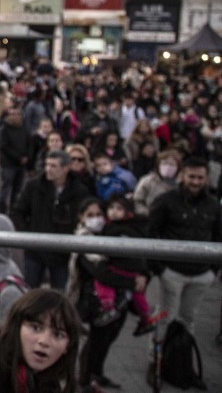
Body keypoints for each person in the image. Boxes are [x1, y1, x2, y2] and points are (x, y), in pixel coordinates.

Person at [148, 156, 221, 354]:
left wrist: (213, 271)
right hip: (171, 273)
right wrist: (160, 269)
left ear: (206, 179)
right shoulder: (165, 201)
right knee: (163, 318)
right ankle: (155, 362)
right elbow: (151, 234)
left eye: (200, 177)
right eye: (192, 177)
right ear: (183, 176)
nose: (196, 182)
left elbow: (218, 237)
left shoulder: (214, 205)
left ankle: (181, 364)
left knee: (188, 320)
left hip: (201, 275)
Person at [66, 197, 130, 390]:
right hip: (91, 301)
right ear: (82, 217)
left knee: (106, 340)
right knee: (92, 343)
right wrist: (131, 281)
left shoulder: (113, 235)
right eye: (90, 215)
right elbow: (99, 272)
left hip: (114, 300)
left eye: (99, 214)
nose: (96, 219)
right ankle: (84, 380)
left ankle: (97, 374)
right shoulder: (83, 239)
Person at [11, 150, 88, 291]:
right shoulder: (33, 186)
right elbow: (18, 212)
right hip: (35, 249)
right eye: (47, 165)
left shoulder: (79, 191)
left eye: (53, 166)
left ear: (65, 168)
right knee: (30, 292)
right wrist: (27, 235)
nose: (48, 169)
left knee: (59, 293)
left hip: (63, 251)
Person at [91, 196, 155, 334]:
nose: (114, 212)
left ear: (127, 212)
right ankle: (146, 318)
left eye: (119, 209)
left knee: (102, 282)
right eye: (111, 208)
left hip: (120, 267)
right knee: (138, 293)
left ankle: (109, 308)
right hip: (135, 270)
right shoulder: (137, 227)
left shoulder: (115, 228)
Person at [0, 107, 29, 214]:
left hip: (21, 164)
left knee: (18, 189)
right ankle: (2, 209)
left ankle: (14, 210)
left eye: (18, 114)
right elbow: (3, 146)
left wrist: (27, 156)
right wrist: (19, 158)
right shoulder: (4, 129)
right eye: (13, 114)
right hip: (8, 164)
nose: (16, 116)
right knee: (6, 187)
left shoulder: (23, 127)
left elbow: (28, 142)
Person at [133, 148, 180, 216]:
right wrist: (147, 213)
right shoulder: (147, 180)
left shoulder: (181, 183)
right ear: (158, 165)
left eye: (172, 164)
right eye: (165, 163)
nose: (168, 167)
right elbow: (137, 201)